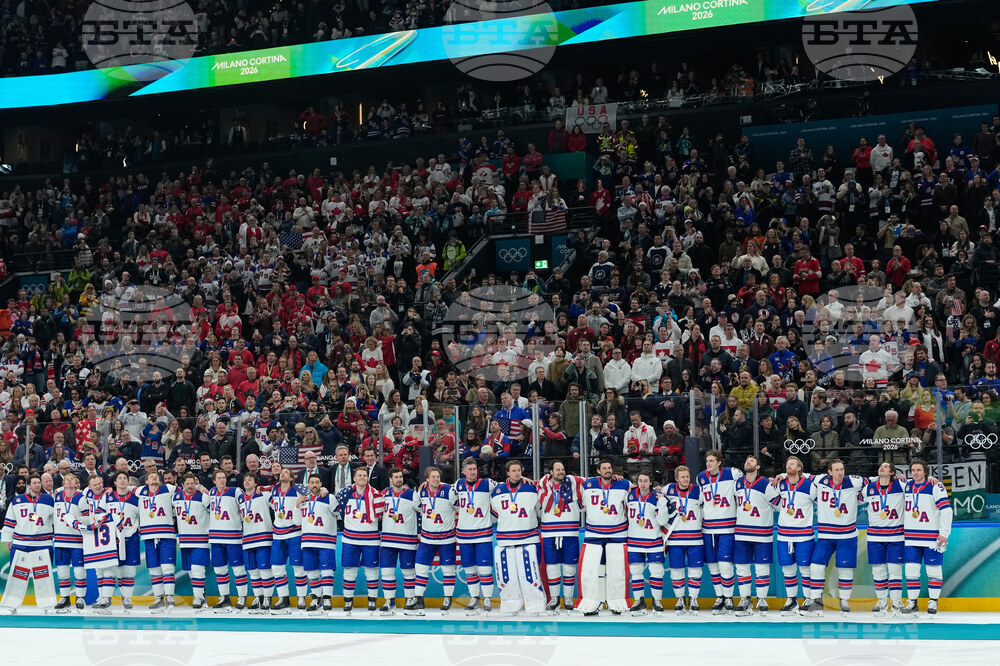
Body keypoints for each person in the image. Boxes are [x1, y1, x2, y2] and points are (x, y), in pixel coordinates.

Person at [804, 458, 865, 615]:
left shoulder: (854, 481)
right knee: (816, 567)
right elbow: (802, 475)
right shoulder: (820, 480)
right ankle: (816, 600)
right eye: (837, 470)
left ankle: (844, 599)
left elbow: (874, 481)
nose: (840, 473)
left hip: (847, 535)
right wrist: (782, 475)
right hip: (825, 535)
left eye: (842, 469)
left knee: (845, 569)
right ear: (829, 472)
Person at [490, 459, 544, 614]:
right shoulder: (498, 490)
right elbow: (495, 513)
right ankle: (510, 603)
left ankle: (535, 604)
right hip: (505, 538)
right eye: (513, 471)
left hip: (529, 537)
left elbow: (541, 503)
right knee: (508, 576)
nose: (517, 473)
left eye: (519, 470)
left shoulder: (532, 487)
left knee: (530, 574)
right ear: (507, 473)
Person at [577, 459, 631, 616]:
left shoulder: (624, 484)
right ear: (598, 471)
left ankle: (616, 603)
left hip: (618, 534)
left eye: (610, 467)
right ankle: (595, 603)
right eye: (604, 468)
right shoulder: (588, 484)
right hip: (594, 534)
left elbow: (640, 492)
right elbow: (566, 479)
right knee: (593, 571)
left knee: (617, 571)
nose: (608, 470)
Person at [0, 473, 57, 612]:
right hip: (20, 543)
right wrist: (7, 539)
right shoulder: (17, 500)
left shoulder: (49, 500)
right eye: (34, 483)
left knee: (44, 575)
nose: (37, 485)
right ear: (29, 485)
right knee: (17, 575)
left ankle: (47, 605)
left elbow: (57, 520)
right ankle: (11, 605)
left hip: (43, 544)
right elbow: (9, 521)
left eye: (39, 482)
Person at [902, 459, 951, 615]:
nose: (915, 473)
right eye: (913, 470)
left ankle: (933, 602)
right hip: (910, 536)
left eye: (918, 470)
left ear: (925, 472)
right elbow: (893, 482)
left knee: (934, 571)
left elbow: (947, 511)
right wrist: (897, 478)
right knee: (911, 571)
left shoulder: (935, 486)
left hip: (931, 537)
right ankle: (912, 602)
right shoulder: (908, 485)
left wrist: (944, 533)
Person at [696, 449, 742, 613]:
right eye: (707, 461)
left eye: (712, 461)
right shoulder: (701, 477)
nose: (708, 464)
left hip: (728, 527)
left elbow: (748, 481)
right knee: (713, 566)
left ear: (719, 462)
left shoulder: (732, 473)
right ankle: (720, 597)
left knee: (725, 564)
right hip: (708, 529)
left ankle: (729, 597)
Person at [733, 454, 779, 615]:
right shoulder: (737, 483)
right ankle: (745, 598)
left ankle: (761, 598)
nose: (748, 462)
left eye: (751, 460)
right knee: (742, 568)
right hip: (741, 533)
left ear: (758, 467)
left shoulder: (765, 483)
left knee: (761, 567)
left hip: (761, 533)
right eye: (746, 460)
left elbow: (778, 504)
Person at [336, 466, 385, 613]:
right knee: (350, 570)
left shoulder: (376, 495)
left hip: (371, 539)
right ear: (354, 478)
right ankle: (348, 600)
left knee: (372, 570)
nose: (362, 478)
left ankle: (372, 600)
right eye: (360, 475)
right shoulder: (345, 494)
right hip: (350, 538)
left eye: (365, 475)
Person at [537, 459, 585, 612]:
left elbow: (595, 481)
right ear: (550, 472)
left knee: (569, 566)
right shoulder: (542, 486)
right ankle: (555, 599)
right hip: (549, 532)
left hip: (570, 531)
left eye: (562, 469)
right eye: (557, 469)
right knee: (552, 567)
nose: (561, 472)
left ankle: (569, 598)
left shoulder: (573, 483)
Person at [774, 455, 818, 615]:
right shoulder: (781, 485)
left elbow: (821, 501)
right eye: (787, 463)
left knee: (805, 569)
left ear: (799, 468)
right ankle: (791, 600)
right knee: (788, 569)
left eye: (792, 463)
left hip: (804, 534)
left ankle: (808, 599)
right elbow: (775, 502)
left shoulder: (809, 486)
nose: (788, 465)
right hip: (784, 534)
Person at [409, 466, 457, 614]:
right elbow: (416, 506)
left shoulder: (448, 490)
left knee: (448, 570)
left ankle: (447, 598)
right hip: (427, 538)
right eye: (433, 477)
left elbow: (458, 506)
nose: (436, 479)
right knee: (420, 568)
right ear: (427, 479)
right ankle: (419, 599)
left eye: (438, 476)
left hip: (447, 538)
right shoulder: (421, 491)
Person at [625, 468, 674, 613]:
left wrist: (663, 504)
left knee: (656, 572)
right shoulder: (629, 496)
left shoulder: (657, 497)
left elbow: (662, 521)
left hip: (653, 540)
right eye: (640, 480)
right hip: (634, 540)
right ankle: (639, 601)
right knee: (636, 572)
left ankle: (656, 601)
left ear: (651, 482)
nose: (642, 484)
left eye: (645, 481)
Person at [454, 457, 497, 614]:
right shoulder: (458, 484)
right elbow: (442, 491)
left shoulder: (487, 484)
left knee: (485, 569)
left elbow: (507, 486)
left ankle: (487, 598)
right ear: (464, 471)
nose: (473, 472)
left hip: (483, 533)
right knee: (469, 569)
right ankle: (474, 598)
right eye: (470, 470)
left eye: (474, 469)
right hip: (464, 534)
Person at [864, 461, 905, 615]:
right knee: (878, 571)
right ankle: (882, 601)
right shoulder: (868, 488)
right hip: (875, 536)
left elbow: (918, 485)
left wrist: (932, 480)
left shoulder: (900, 485)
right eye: (881, 465)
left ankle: (895, 602)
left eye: (887, 466)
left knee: (895, 570)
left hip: (896, 535)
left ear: (892, 473)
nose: (882, 467)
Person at [296, 471, 340, 612]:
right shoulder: (303, 500)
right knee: (311, 572)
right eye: (312, 482)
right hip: (308, 541)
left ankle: (327, 598)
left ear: (321, 484)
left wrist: (326, 492)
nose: (314, 485)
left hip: (326, 541)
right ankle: (316, 598)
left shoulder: (329, 498)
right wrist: (297, 505)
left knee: (327, 571)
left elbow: (338, 514)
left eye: (317, 483)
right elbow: (296, 521)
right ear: (308, 484)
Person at [378, 466, 419, 613]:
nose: (398, 479)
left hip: (407, 540)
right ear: (390, 479)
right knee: (387, 572)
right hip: (388, 540)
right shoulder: (383, 494)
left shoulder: (412, 494)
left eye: (400, 477)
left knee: (408, 572)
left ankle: (410, 599)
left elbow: (425, 511)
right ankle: (389, 600)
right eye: (395, 477)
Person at [135, 470, 177, 613]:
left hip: (166, 534)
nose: (153, 476)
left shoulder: (168, 488)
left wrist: (199, 487)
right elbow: (126, 489)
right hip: (148, 536)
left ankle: (170, 596)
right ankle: (159, 598)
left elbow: (186, 488)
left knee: (167, 567)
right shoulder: (140, 491)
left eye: (156, 476)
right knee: (154, 569)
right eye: (150, 476)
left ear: (160, 480)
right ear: (146, 481)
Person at [208, 468, 248, 612]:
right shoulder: (211, 492)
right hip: (216, 537)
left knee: (238, 569)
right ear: (214, 481)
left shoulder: (235, 491)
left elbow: (245, 507)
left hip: (233, 536)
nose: (222, 480)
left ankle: (242, 597)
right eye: (219, 478)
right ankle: (224, 597)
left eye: (223, 477)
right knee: (220, 569)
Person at [268, 467, 306, 612]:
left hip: (295, 533)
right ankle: (283, 598)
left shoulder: (298, 490)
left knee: (298, 568)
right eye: (281, 472)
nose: (282, 473)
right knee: (277, 568)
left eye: (286, 472)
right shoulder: (274, 491)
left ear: (291, 478)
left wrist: (323, 491)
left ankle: (301, 597)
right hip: (278, 534)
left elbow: (316, 492)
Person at [171, 472, 211, 610]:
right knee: (190, 571)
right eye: (187, 483)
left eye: (192, 483)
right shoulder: (176, 497)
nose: (190, 486)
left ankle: (198, 597)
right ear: (183, 485)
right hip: (184, 540)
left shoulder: (204, 497)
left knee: (198, 570)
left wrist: (201, 487)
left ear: (196, 483)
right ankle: (201, 593)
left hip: (200, 539)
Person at [237, 472, 275, 612]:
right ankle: (258, 597)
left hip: (263, 538)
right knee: (253, 571)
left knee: (265, 571)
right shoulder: (240, 499)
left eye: (250, 480)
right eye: (245, 480)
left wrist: (265, 488)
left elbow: (279, 491)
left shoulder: (264, 495)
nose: (246, 482)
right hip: (247, 539)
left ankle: (267, 597)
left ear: (256, 483)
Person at [52, 473, 86, 611]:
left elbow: (86, 518)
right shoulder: (57, 497)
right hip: (60, 540)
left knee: (79, 571)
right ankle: (65, 597)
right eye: (67, 479)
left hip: (77, 540)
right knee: (62, 571)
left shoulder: (81, 498)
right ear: (63, 483)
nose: (70, 480)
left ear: (76, 483)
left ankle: (80, 597)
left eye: (73, 479)